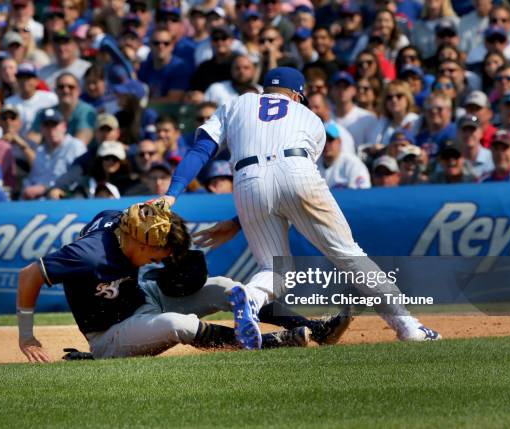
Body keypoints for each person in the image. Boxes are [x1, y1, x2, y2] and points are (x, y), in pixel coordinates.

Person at [159, 67, 441, 349]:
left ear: (264, 89)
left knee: (273, 268)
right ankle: (407, 326)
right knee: (349, 255)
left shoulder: (237, 103)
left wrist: (172, 196)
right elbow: (285, 178)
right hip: (297, 169)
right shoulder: (311, 118)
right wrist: (236, 221)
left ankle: (252, 299)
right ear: (296, 95)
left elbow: (201, 150)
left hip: (246, 180)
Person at [16, 201, 319, 361]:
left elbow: (144, 212)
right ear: (141, 243)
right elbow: (29, 275)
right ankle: (268, 344)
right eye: (157, 255)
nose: (161, 261)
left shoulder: (124, 221)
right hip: (110, 334)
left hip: (142, 297)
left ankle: (313, 329)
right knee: (179, 324)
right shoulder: (90, 255)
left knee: (227, 287)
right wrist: (27, 336)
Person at [22, 108, 86, 200]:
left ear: (64, 126)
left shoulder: (75, 146)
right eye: (47, 125)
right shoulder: (40, 151)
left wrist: (45, 188)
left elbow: (80, 178)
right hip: (38, 201)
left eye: (54, 125)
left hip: (67, 197)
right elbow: (33, 179)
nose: (51, 130)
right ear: (41, 129)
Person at [330, 71, 379, 150]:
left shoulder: (368, 118)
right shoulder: (326, 117)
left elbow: (371, 147)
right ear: (331, 90)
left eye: (345, 86)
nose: (342, 90)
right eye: (338, 86)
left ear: (354, 90)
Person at [316, 123, 370, 190]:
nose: (326, 144)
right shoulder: (314, 165)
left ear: (339, 141)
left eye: (330, 139)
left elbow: (360, 196)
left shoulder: (353, 164)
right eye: (322, 140)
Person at [455, 114, 494, 179]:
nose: (468, 134)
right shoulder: (451, 159)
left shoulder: (492, 158)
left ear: (481, 133)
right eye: (464, 130)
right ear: (457, 133)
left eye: (472, 130)